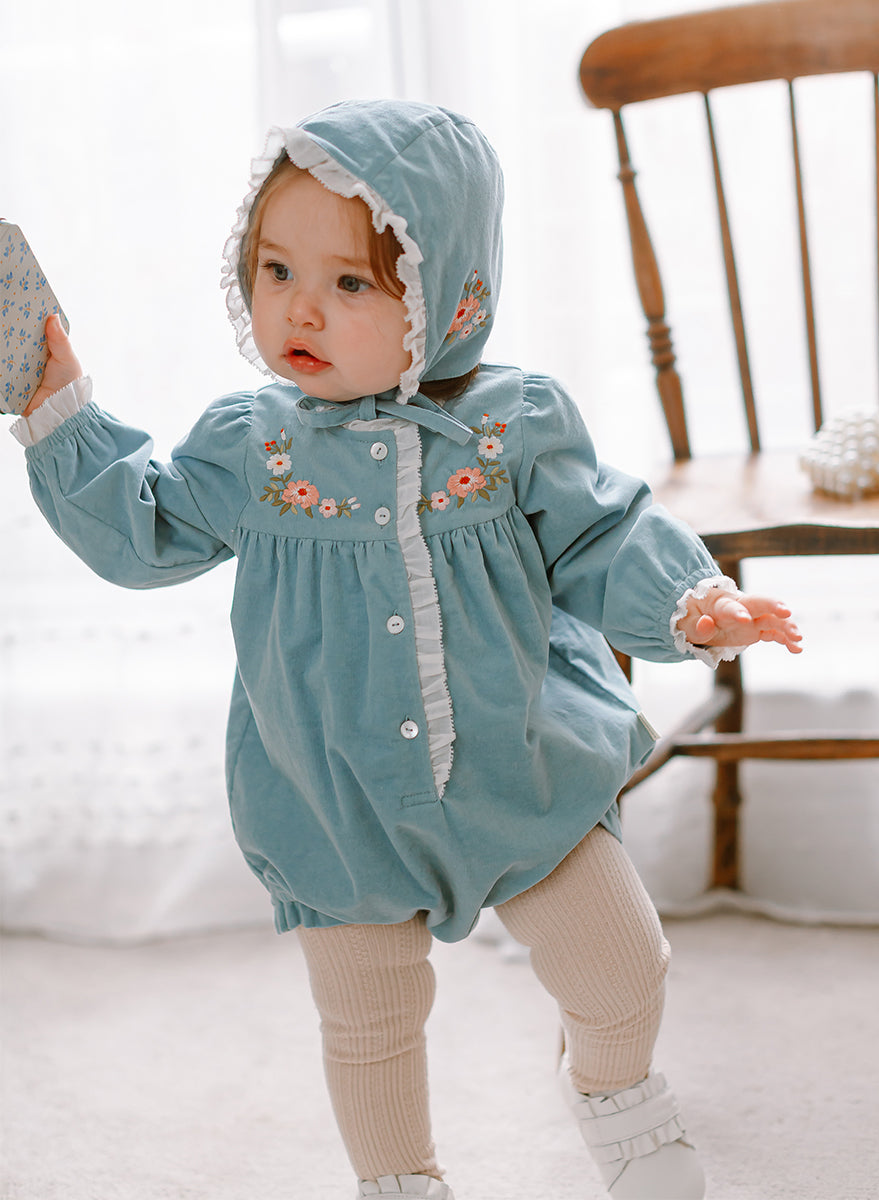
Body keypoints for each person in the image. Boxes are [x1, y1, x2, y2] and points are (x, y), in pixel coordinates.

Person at [12, 100, 801, 1200]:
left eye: (350, 283)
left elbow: (604, 532)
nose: (300, 307)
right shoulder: (252, 446)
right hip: (333, 795)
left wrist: (690, 602)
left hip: (520, 767)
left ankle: (612, 1091)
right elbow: (142, 529)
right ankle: (400, 1181)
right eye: (276, 269)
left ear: (451, 300)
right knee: (369, 1021)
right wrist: (59, 412)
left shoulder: (512, 424)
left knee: (623, 968)